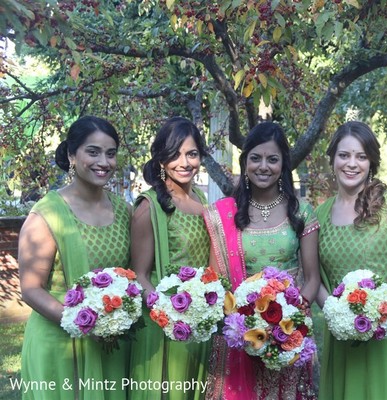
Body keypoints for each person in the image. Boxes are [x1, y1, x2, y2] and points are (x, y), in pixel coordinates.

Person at [203, 121, 320, 400]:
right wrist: (242, 322)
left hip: (288, 332)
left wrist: (292, 320)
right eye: (255, 158)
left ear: (283, 164)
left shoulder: (300, 211)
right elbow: (216, 281)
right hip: (239, 332)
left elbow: (313, 276)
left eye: (272, 159)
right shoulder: (226, 214)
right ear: (245, 163)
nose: (263, 166)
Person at [18, 116, 131, 399]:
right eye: (92, 152)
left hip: (111, 345)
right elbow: (31, 289)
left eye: (110, 153)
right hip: (58, 345)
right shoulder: (48, 213)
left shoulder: (125, 211)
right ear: (71, 155)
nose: (103, 162)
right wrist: (82, 321)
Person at [315, 121, 387, 400]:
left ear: (371, 162)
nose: (352, 164)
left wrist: (382, 314)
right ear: (333, 158)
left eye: (361, 156)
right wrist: (339, 315)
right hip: (341, 338)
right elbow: (314, 278)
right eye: (344, 155)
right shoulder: (319, 215)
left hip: (385, 337)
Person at [129, 117, 211, 400]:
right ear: (161, 160)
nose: (184, 162)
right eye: (175, 154)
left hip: (201, 322)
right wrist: (171, 315)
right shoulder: (149, 206)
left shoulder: (203, 201)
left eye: (192, 153)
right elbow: (139, 274)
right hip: (163, 325)